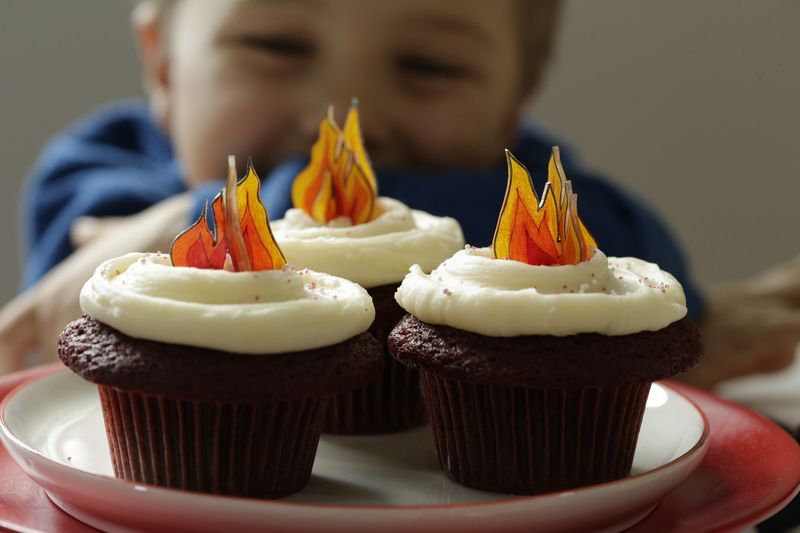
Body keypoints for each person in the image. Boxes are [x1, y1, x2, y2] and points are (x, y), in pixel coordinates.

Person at [0, 0, 796, 388]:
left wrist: (709, 318)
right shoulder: (102, 174)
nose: (347, 121)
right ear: (163, 68)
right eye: (276, 46)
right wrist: (196, 217)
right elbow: (72, 310)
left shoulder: (519, 188)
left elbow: (637, 261)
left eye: (429, 67)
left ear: (515, 97)